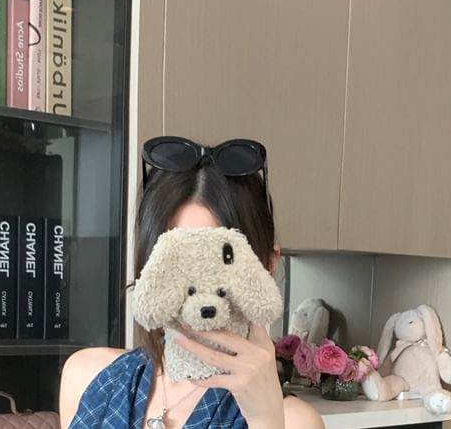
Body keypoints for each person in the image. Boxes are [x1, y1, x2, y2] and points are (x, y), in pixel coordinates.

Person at [60, 137, 323, 428]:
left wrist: (265, 418)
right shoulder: (89, 376)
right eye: (178, 259)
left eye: (217, 260)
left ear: (268, 265)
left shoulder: (293, 421)